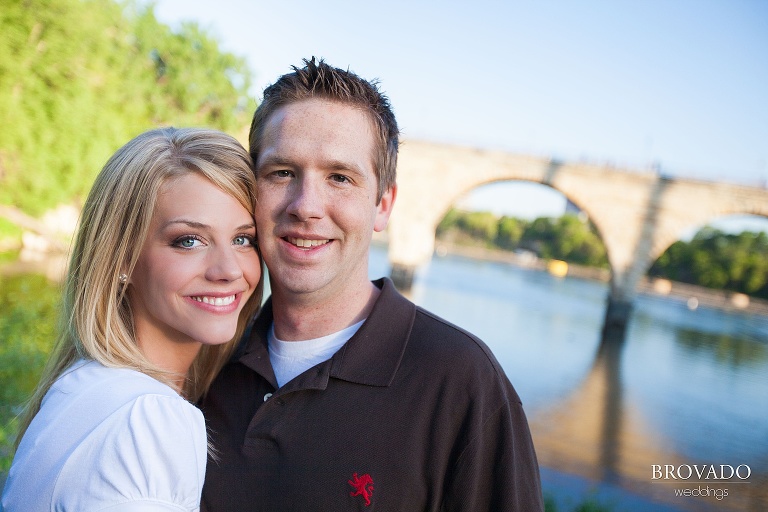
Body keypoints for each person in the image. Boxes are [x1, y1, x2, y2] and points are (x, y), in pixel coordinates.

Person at [200, 58, 544, 511]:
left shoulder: (463, 383)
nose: (306, 206)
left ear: (383, 204)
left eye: (339, 178)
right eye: (282, 172)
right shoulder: (207, 354)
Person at [1, 127, 264, 511]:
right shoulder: (148, 420)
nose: (227, 270)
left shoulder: (80, 384)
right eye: (189, 240)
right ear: (122, 258)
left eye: (243, 239)